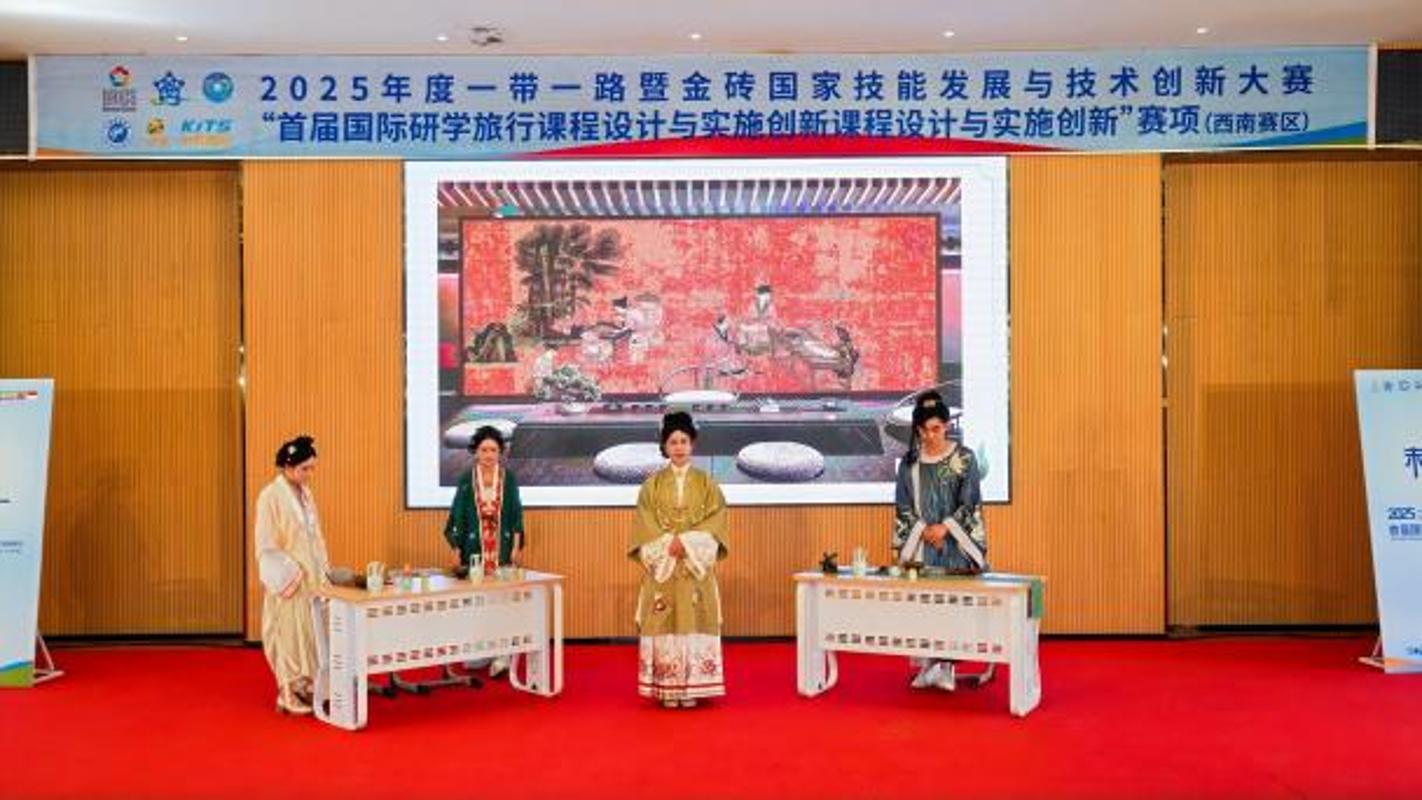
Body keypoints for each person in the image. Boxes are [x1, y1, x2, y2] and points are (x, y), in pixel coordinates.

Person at [628, 411, 729, 708]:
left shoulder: (707, 483)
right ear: (665, 446)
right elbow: (644, 522)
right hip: (665, 566)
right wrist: (667, 544)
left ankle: (693, 687)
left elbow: (717, 520)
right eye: (673, 442)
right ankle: (668, 687)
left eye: (684, 441)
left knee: (695, 616)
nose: (679, 447)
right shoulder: (652, 485)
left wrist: (685, 542)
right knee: (664, 617)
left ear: (692, 444)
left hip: (694, 565)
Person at [892, 391, 988, 692]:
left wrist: (944, 528)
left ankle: (946, 666)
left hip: (954, 544)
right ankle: (928, 665)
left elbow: (970, 501)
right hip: (922, 544)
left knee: (951, 604)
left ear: (947, 425)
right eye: (923, 430)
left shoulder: (965, 458)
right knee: (923, 605)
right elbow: (902, 505)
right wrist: (923, 529)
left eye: (936, 429)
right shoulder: (909, 463)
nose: (930, 436)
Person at [255, 435, 331, 715]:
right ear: (288, 466)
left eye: (312, 468)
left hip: (311, 578)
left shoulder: (305, 493)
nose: (309, 474)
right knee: (286, 634)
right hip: (289, 577)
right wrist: (290, 573)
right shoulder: (270, 496)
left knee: (310, 633)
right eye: (304, 469)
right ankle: (286, 692)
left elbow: (316, 536)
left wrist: (324, 569)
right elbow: (265, 543)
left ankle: (305, 684)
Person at [444, 424, 526, 677]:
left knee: (503, 602)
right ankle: (481, 652)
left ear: (500, 452)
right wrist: (456, 548)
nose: (489, 455)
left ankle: (503, 656)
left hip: (501, 549)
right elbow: (457, 515)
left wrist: (516, 547)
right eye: (484, 450)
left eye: (493, 450)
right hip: (474, 549)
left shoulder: (508, 478)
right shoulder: (466, 480)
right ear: (476, 452)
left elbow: (516, 514)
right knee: (477, 602)